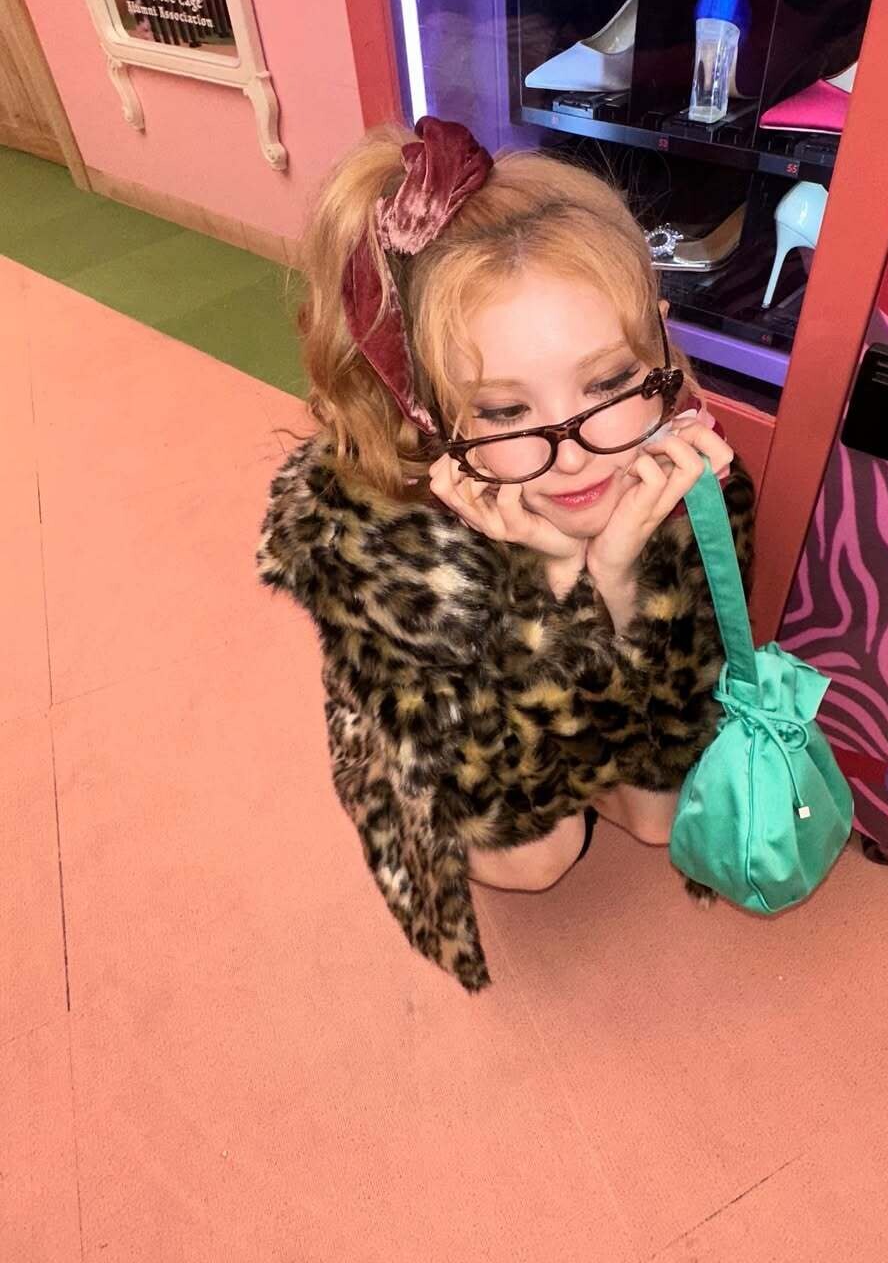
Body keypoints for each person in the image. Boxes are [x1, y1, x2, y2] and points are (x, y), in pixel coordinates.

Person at [257, 117, 754, 992]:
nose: (575, 453)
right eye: (501, 410)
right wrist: (552, 583)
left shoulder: (681, 466)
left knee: (660, 812)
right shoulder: (372, 540)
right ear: (423, 408)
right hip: (459, 739)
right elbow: (495, 789)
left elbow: (686, 708)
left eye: (609, 380)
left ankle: (597, 764)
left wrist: (620, 576)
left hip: (580, 707)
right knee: (536, 853)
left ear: (657, 341)